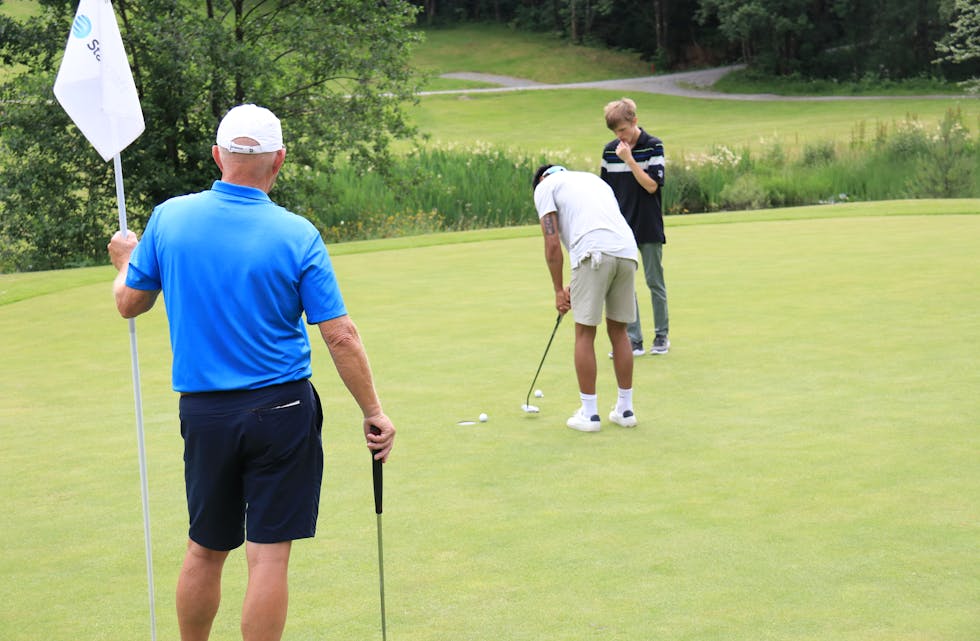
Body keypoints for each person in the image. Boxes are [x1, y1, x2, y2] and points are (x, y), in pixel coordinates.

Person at [107, 104, 396, 641]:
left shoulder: (169, 217)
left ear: (217, 155)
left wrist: (126, 259)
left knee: (205, 546)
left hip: (205, 412)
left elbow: (130, 303)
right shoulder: (297, 233)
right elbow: (339, 335)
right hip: (282, 410)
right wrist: (373, 411)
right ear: (279, 161)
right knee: (267, 558)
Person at [532, 164, 640, 432]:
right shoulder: (592, 180)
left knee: (584, 333)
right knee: (620, 332)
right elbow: (598, 229)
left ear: (542, 179)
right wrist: (574, 281)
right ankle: (625, 410)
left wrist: (558, 290)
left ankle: (589, 414)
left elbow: (552, 243)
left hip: (593, 253)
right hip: (627, 251)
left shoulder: (545, 186)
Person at [600, 97, 669, 355]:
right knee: (626, 287)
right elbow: (605, 192)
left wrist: (630, 160)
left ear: (634, 122)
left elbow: (652, 185)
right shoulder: (609, 152)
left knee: (654, 282)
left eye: (623, 130)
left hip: (648, 225)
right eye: (616, 132)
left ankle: (661, 337)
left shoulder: (654, 146)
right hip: (621, 229)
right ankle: (634, 340)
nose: (620, 137)